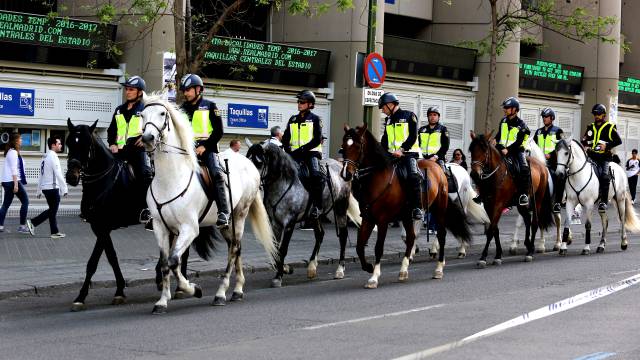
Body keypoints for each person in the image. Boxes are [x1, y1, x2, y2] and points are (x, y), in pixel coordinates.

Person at [180, 73, 229, 228]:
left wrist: (204, 146)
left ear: (198, 89)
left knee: (216, 173)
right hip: (187, 151)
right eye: (184, 90)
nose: (185, 93)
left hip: (208, 150)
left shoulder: (210, 106)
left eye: (188, 90)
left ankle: (223, 212)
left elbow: (218, 131)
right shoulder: (182, 109)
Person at [107, 75, 153, 229]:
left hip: (136, 152)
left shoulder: (145, 109)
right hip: (118, 153)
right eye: (127, 89)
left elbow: (152, 129)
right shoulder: (119, 110)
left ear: (140, 92)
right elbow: (111, 130)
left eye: (131, 89)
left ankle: (147, 211)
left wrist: (145, 138)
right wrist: (112, 143)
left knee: (145, 175)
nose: (127, 92)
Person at [378, 92, 423, 220]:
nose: (383, 110)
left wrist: (402, 149)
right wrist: (382, 151)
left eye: (383, 107)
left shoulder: (409, 116)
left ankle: (417, 207)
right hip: (392, 155)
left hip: (408, 154)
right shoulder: (388, 120)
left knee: (412, 176)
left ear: (391, 104)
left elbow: (413, 136)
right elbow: (385, 140)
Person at [282, 90, 325, 219]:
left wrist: (302, 149)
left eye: (302, 102)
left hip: (311, 153)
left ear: (310, 104)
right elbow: (286, 138)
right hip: (295, 154)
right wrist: (286, 148)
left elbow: (317, 139)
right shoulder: (293, 119)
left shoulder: (315, 119)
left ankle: (318, 206)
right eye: (298, 102)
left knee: (315, 175)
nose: (299, 104)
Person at [581, 103, 622, 213]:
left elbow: (619, 141)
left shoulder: (609, 127)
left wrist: (607, 146)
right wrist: (586, 146)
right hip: (592, 157)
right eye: (595, 114)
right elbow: (584, 141)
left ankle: (603, 202)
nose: (596, 116)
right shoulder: (590, 127)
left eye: (598, 114)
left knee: (604, 176)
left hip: (604, 158)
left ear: (603, 115)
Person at [494, 96, 531, 206]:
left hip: (516, 151)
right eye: (504, 107)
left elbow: (519, 142)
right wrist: (497, 145)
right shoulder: (503, 121)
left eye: (507, 107)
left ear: (514, 109)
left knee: (524, 168)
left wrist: (508, 150)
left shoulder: (522, 125)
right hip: (502, 149)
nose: (504, 109)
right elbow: (498, 136)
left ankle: (523, 195)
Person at [29, 137, 68, 238]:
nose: (61, 145)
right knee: (52, 210)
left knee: (52, 210)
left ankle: (54, 232)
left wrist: (39, 190)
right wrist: (65, 189)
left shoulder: (45, 156)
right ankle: (33, 222)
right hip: (53, 188)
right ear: (53, 145)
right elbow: (58, 173)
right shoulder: (53, 156)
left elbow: (41, 175)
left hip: (46, 188)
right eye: (59, 143)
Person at [532, 107, 565, 213]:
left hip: (552, 163)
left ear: (552, 118)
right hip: (539, 163)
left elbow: (562, 147)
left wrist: (551, 155)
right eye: (543, 117)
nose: (544, 118)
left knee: (560, 178)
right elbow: (534, 145)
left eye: (546, 117)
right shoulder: (538, 132)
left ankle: (558, 203)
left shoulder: (558, 131)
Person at [418, 106, 456, 192]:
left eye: (435, 115)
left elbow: (445, 146)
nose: (432, 117)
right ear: (428, 117)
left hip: (437, 158)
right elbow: (417, 144)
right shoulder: (421, 130)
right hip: (422, 158)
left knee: (444, 177)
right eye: (430, 115)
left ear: (438, 117)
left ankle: (445, 193)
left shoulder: (443, 129)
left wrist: (435, 157)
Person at [0, 133, 31, 234]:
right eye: (20, 138)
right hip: (12, 181)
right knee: (25, 201)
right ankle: (22, 227)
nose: (21, 140)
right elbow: (14, 169)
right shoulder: (13, 153)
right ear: (16, 140)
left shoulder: (11, 152)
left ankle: (0, 226)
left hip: (8, 181)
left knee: (5, 204)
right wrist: (16, 184)